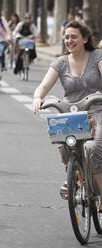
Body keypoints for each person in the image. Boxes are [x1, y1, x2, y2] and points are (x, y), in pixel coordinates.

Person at [33, 20, 102, 201]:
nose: (69, 40)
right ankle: (74, 176)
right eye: (66, 37)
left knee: (92, 147)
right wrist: (37, 98)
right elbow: (44, 85)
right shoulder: (61, 62)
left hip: (97, 111)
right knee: (65, 146)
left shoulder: (97, 57)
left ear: (85, 39)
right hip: (72, 113)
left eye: (74, 37)